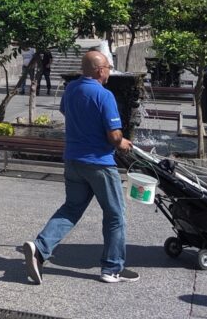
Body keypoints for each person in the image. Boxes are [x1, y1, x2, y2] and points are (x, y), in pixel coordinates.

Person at [22, 51, 138, 284]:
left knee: (71, 209)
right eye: (108, 67)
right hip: (99, 164)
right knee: (115, 215)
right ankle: (112, 268)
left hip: (73, 161)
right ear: (99, 70)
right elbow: (114, 137)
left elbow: (66, 111)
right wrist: (123, 143)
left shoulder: (72, 89)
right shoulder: (104, 95)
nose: (109, 72)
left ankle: (39, 249)